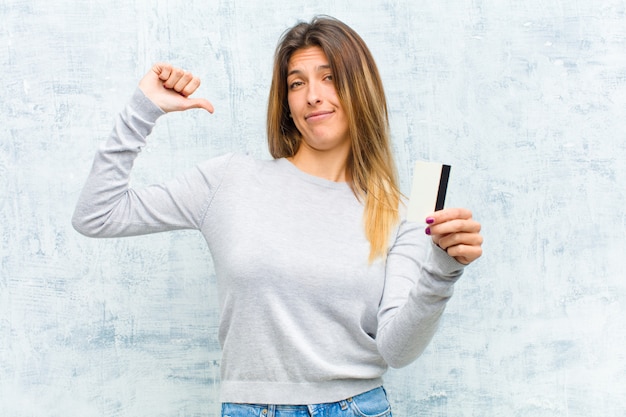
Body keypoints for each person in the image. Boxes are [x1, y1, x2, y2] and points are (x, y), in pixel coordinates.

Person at [72, 15, 482, 417]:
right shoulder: (230, 180)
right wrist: (144, 110)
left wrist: (442, 270)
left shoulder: (399, 212)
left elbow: (397, 350)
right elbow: (97, 214)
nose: (313, 96)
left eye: (329, 77)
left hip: (357, 408)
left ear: (361, 89)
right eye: (297, 83)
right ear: (286, 103)